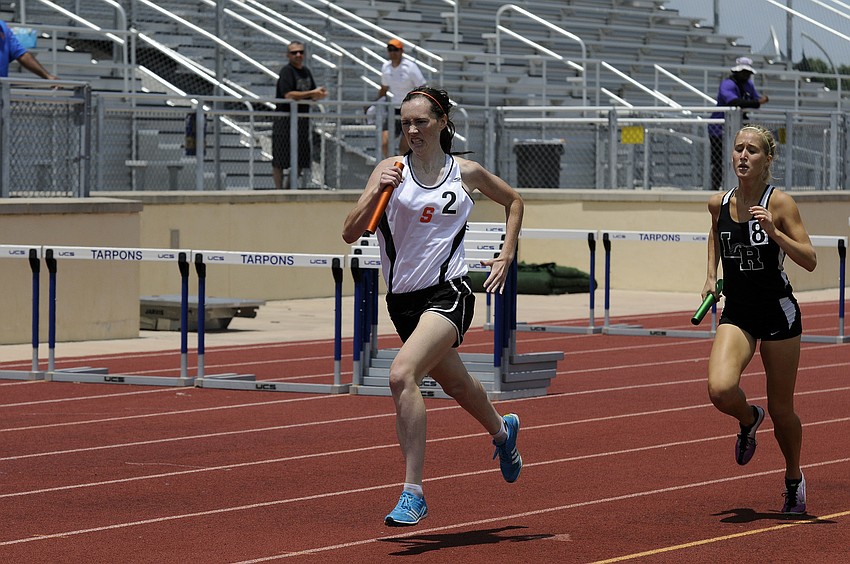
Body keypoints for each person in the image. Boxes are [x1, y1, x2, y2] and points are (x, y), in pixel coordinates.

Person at [342, 86, 525, 527]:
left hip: (450, 293)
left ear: (442, 122)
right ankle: (503, 432)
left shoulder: (466, 172)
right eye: (405, 123)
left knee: (402, 374)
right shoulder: (389, 170)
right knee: (459, 387)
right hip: (403, 302)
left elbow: (515, 201)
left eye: (420, 121)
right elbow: (351, 232)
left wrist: (506, 252)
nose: (411, 130)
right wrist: (374, 194)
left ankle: (413, 492)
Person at [701, 124, 816, 515]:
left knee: (783, 409)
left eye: (752, 150)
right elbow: (716, 235)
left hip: (778, 313)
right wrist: (708, 277)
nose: (743, 155)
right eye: (738, 149)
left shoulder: (780, 203)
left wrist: (775, 233)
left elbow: (810, 260)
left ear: (767, 160)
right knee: (719, 389)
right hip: (739, 312)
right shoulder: (720, 202)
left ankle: (794, 478)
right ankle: (749, 419)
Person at [272, 41, 327, 190]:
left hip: (302, 121)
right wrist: (311, 93)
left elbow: (311, 94)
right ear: (288, 55)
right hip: (285, 120)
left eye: (301, 52)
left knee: (301, 159)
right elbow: (288, 94)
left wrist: (318, 95)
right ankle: (278, 190)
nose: (298, 55)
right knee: (280, 159)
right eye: (294, 52)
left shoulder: (306, 72)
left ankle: (289, 188)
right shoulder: (286, 71)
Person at [708, 57, 768, 190]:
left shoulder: (748, 85)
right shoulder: (727, 84)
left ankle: (738, 186)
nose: (746, 75)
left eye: (748, 72)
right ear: (736, 71)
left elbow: (754, 100)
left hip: (738, 128)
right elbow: (733, 102)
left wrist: (758, 102)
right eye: (743, 72)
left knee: (741, 159)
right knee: (718, 161)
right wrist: (758, 102)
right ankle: (715, 187)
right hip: (719, 128)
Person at [373, 38, 425, 158]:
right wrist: (375, 102)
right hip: (395, 109)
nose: (392, 52)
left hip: (410, 110)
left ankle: (404, 168)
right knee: (384, 143)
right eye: (390, 50)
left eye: (395, 49)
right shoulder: (386, 67)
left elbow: (422, 87)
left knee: (404, 147)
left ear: (401, 51)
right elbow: (384, 88)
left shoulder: (410, 67)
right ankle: (394, 164)